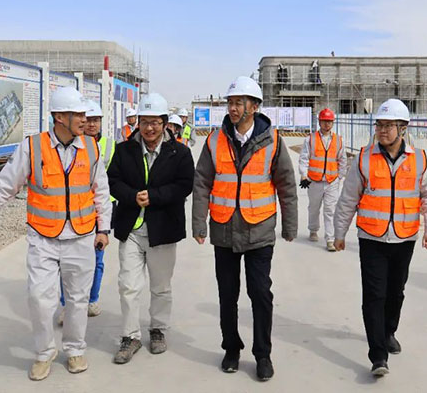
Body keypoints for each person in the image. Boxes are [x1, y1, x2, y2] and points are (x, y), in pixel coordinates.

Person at [0, 86, 112, 381]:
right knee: (39, 298)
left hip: (81, 236)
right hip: (43, 238)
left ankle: (75, 349)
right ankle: (45, 353)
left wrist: (104, 229)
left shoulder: (91, 148)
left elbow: (101, 192)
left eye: (85, 114)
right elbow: (5, 185)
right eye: (78, 115)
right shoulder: (32, 148)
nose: (84, 120)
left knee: (77, 299)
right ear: (60, 117)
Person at [192, 75, 298, 382]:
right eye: (230, 103)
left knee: (260, 293)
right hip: (224, 228)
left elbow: (286, 185)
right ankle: (231, 348)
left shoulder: (273, 141)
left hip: (259, 229)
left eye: (239, 103)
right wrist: (199, 223)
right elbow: (202, 183)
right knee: (227, 294)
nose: (233, 108)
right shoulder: (215, 140)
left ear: (254, 107)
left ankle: (263, 354)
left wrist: (290, 225)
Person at [333, 98, 427, 378]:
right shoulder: (364, 158)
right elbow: (348, 198)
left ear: (403, 128)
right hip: (372, 238)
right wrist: (339, 233)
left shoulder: (419, 159)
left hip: (404, 239)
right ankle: (378, 355)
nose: (382, 130)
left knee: (396, 292)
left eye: (388, 125)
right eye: (379, 125)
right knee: (374, 295)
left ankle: (388, 331)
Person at [108, 93, 195, 364]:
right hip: (132, 230)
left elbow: (185, 185)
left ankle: (158, 329)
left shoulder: (180, 152)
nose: (149, 128)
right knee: (128, 286)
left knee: (161, 287)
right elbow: (113, 180)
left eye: (155, 122)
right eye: (144, 122)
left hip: (163, 230)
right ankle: (130, 336)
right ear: (138, 122)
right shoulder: (124, 150)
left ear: (165, 123)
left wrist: (155, 196)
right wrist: (131, 196)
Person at [58, 99, 116, 323]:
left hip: (100, 210)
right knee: (67, 263)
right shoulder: (69, 145)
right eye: (88, 119)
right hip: (74, 211)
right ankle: (67, 305)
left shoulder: (110, 146)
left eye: (96, 120)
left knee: (96, 259)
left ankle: (92, 299)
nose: (92, 124)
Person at [298, 108, 347, 251]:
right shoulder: (310, 139)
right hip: (314, 181)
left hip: (332, 181)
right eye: (324, 121)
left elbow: (342, 159)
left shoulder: (339, 140)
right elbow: (304, 158)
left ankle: (330, 239)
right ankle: (313, 230)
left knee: (330, 210)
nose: (327, 124)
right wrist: (304, 175)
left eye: (329, 122)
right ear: (319, 122)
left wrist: (340, 176)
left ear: (333, 123)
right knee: (314, 208)